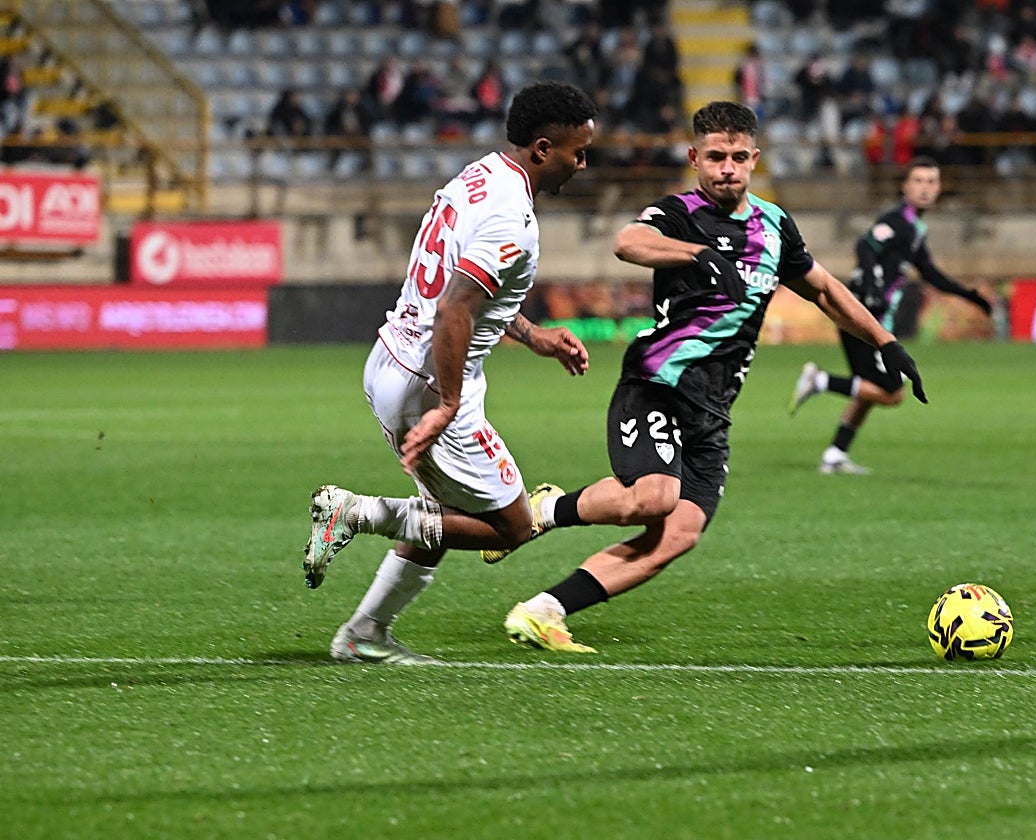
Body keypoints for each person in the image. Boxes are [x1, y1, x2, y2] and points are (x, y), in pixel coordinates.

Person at [488, 100, 927, 654]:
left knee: (678, 533)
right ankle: (544, 511)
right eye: (716, 156)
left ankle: (542, 612)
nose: (727, 168)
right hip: (656, 385)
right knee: (651, 499)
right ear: (695, 157)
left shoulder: (774, 226)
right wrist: (696, 254)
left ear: (754, 159)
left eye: (739, 157)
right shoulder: (678, 214)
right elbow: (628, 242)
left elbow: (823, 289)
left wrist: (886, 343)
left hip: (713, 408)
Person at [301, 81, 598, 665]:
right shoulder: (512, 217)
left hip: (394, 359)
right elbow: (456, 306)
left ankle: (365, 635)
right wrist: (446, 403)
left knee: (442, 516)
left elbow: (475, 294)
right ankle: (354, 512)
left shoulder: (480, 175)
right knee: (511, 527)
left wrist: (533, 336)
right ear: (542, 148)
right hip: (430, 381)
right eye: (576, 151)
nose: (581, 164)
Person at [788, 156, 991, 475]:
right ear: (905, 186)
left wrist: (969, 296)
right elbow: (866, 245)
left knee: (871, 389)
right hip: (861, 313)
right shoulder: (897, 221)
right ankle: (820, 380)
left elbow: (930, 273)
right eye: (919, 181)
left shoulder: (914, 229)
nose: (926, 188)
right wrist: (871, 283)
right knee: (892, 393)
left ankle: (835, 454)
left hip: (872, 313)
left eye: (932, 182)